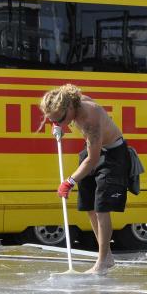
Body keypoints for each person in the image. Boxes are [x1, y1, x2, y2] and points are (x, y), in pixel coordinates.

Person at [39, 84, 129, 275]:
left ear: (69, 108)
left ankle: (102, 262)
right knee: (89, 206)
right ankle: (108, 256)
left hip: (112, 155)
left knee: (101, 208)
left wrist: (69, 181)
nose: (60, 123)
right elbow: (89, 154)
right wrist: (58, 125)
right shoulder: (70, 103)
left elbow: (93, 159)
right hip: (93, 151)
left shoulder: (89, 117)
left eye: (61, 119)